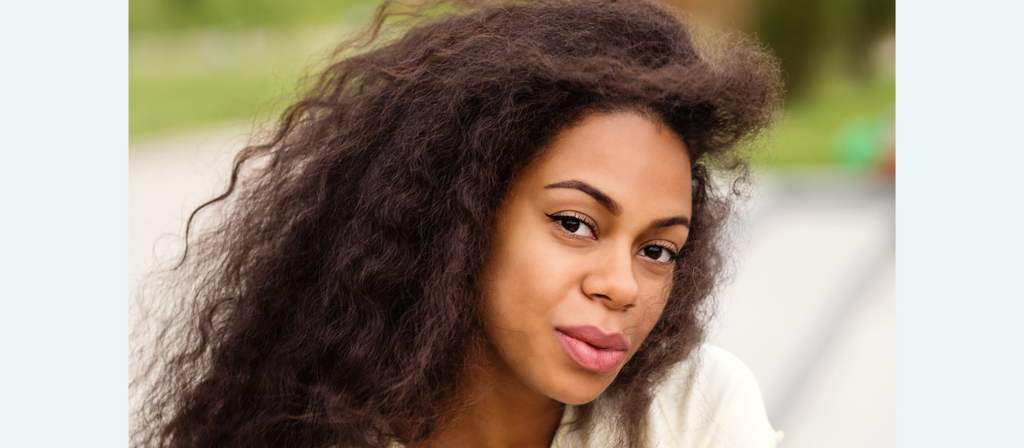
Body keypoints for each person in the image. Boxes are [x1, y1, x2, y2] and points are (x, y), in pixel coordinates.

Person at [131, 0, 783, 447]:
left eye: (659, 250)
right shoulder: (307, 427)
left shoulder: (694, 411)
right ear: (462, 217)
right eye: (575, 223)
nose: (623, 286)